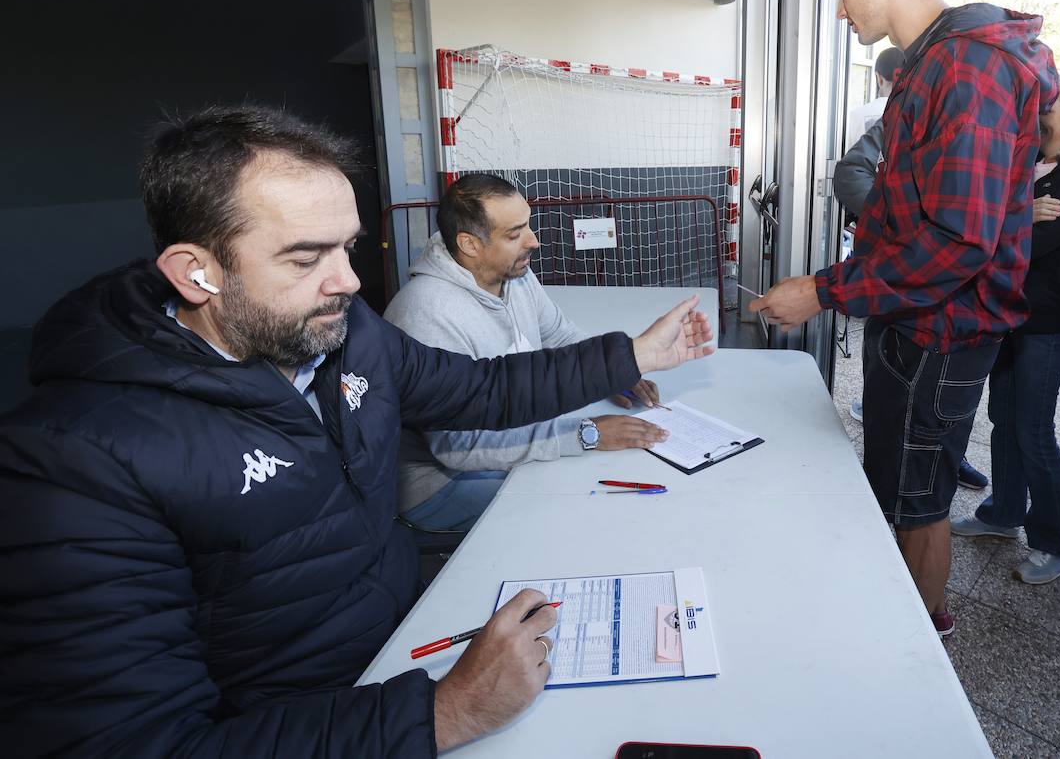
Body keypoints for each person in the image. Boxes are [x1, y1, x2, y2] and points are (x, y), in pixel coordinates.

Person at [0, 105, 713, 756]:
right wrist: (444, 712)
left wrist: (634, 354)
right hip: (334, 719)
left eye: (347, 248)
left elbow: (479, 388)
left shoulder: (349, 333)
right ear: (198, 275)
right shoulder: (71, 463)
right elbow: (136, 745)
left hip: (414, 636)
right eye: (307, 258)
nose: (347, 281)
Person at [748, 0, 1058, 637]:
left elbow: (957, 243)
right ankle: (888, 610)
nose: (840, 8)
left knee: (923, 498)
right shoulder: (934, 64)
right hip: (912, 321)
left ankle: (919, 645)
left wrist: (823, 291)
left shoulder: (970, 69)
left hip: (948, 331)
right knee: (894, 480)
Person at [384, 173, 668, 532]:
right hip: (439, 482)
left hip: (508, 437)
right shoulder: (426, 314)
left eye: (528, 226)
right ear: (470, 244)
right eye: (514, 234)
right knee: (579, 508)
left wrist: (607, 373)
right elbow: (460, 448)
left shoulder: (514, 273)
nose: (533, 241)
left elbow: (556, 333)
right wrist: (585, 434)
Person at [949, 72, 1060, 584]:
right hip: (1010, 312)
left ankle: (1054, 542)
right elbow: (990, 226)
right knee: (1004, 416)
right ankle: (1004, 513)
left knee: (1034, 429)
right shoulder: (1041, 162)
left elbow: (1030, 245)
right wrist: (1022, 214)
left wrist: (1012, 221)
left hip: (1046, 321)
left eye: (1050, 106)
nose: (1039, 112)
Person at [834, 51, 991, 493]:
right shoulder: (893, 120)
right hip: (900, 305)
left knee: (928, 471)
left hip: (958, 321)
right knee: (898, 470)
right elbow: (851, 172)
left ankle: (949, 461)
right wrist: (891, 223)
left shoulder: (982, 132)